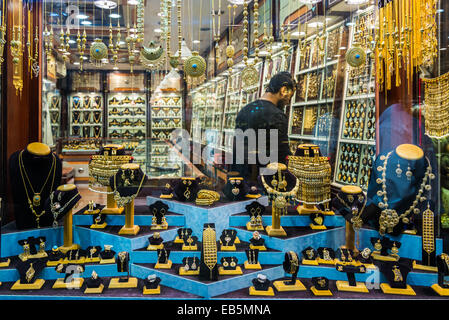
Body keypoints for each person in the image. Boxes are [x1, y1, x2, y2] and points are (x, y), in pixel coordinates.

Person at [231, 72, 296, 181]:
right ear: (283, 90)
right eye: (290, 96)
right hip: (266, 179)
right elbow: (281, 153)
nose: (288, 102)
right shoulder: (277, 115)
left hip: (241, 176)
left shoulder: (244, 110)